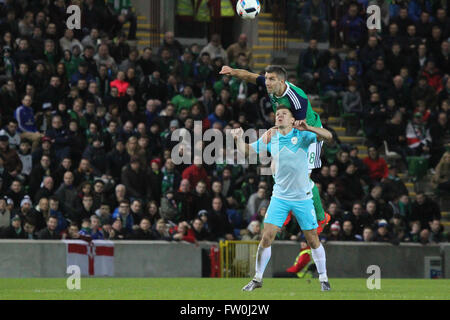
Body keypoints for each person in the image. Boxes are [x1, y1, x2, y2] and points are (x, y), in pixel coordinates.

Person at [220, 64, 331, 234]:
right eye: (267, 78)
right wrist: (233, 72)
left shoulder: (296, 99)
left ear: (281, 81)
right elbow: (250, 76)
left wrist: (276, 129)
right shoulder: (271, 86)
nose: (267, 82)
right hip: (287, 129)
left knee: (303, 178)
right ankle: (287, 208)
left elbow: (298, 130)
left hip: (309, 134)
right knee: (277, 167)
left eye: (271, 79)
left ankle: (321, 217)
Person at [232, 105, 333, 291]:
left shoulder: (302, 135)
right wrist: (238, 139)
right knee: (266, 237)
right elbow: (247, 151)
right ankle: (257, 278)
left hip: (302, 197)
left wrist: (309, 127)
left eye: (284, 114)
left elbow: (328, 137)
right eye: (277, 114)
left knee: (312, 239)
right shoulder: (271, 137)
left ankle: (323, 278)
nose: (279, 116)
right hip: (279, 197)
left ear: (292, 119)